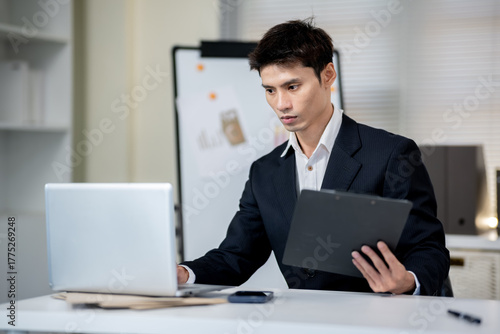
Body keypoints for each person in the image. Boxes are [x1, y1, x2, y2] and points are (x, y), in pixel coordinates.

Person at [177, 18, 450, 295]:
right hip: (303, 319)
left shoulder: (391, 154)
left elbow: (427, 248)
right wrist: (183, 274)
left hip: (378, 318)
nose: (281, 104)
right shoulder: (265, 172)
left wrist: (408, 281)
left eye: (292, 87)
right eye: (270, 90)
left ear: (328, 75)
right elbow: (236, 256)